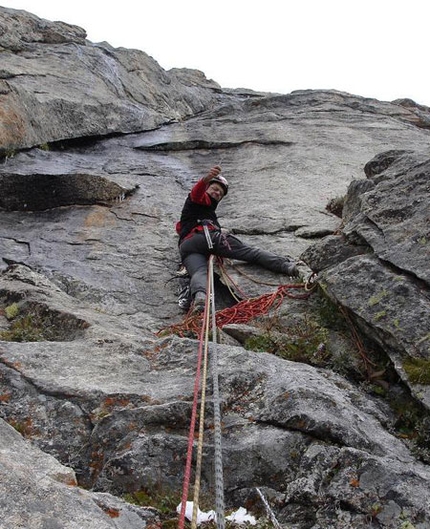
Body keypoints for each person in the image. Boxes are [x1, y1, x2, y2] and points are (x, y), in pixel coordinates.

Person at [176, 166, 299, 314]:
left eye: (220, 193)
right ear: (207, 188)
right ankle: (287, 267)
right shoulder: (200, 200)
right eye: (214, 189)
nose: (216, 193)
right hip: (209, 237)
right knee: (250, 253)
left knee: (200, 272)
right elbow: (196, 193)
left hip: (187, 247)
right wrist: (206, 179)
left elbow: (180, 228)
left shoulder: (191, 215)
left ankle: (200, 300)